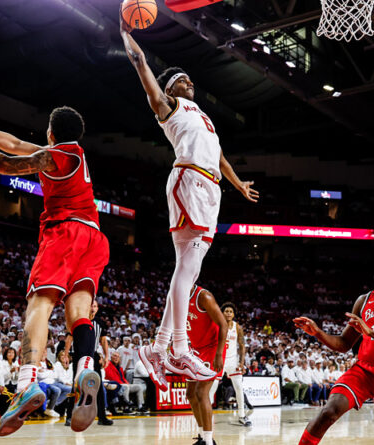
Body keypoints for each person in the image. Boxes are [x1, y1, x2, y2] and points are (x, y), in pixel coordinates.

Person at [0, 104, 109, 435]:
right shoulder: (72, 153)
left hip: (65, 232)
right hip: (94, 237)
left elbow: (6, 162)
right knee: (79, 314)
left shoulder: (59, 155)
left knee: (39, 307)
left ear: (51, 132)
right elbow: (14, 143)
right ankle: (85, 367)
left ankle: (27, 382)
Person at [120, 18, 259, 391]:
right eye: (182, 80)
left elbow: (221, 157)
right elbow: (142, 69)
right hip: (190, 180)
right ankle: (178, 346)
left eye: (190, 80)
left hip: (210, 186)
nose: (190, 83)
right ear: (170, 89)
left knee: (189, 270)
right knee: (188, 268)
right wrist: (126, 36)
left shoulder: (205, 118)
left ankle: (158, 348)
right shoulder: (169, 107)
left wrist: (238, 185)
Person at [293, 256, 374, 445]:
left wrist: (371, 332)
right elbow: (344, 343)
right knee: (328, 411)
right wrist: (318, 333)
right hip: (364, 370)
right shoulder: (364, 300)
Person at [181, 285, 228, 445]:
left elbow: (224, 324)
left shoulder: (203, 296)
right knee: (190, 394)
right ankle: (202, 436)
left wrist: (219, 354)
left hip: (212, 347)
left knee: (202, 393)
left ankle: (209, 442)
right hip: (194, 348)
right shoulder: (177, 294)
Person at [209, 302, 250, 426]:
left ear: (233, 314)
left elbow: (242, 346)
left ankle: (242, 416)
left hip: (233, 361)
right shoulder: (216, 325)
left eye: (230, 311)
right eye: (226, 311)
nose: (228, 313)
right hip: (219, 360)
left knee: (239, 388)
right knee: (212, 389)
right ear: (222, 313)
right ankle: (208, 416)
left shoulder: (237, 327)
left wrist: (242, 363)